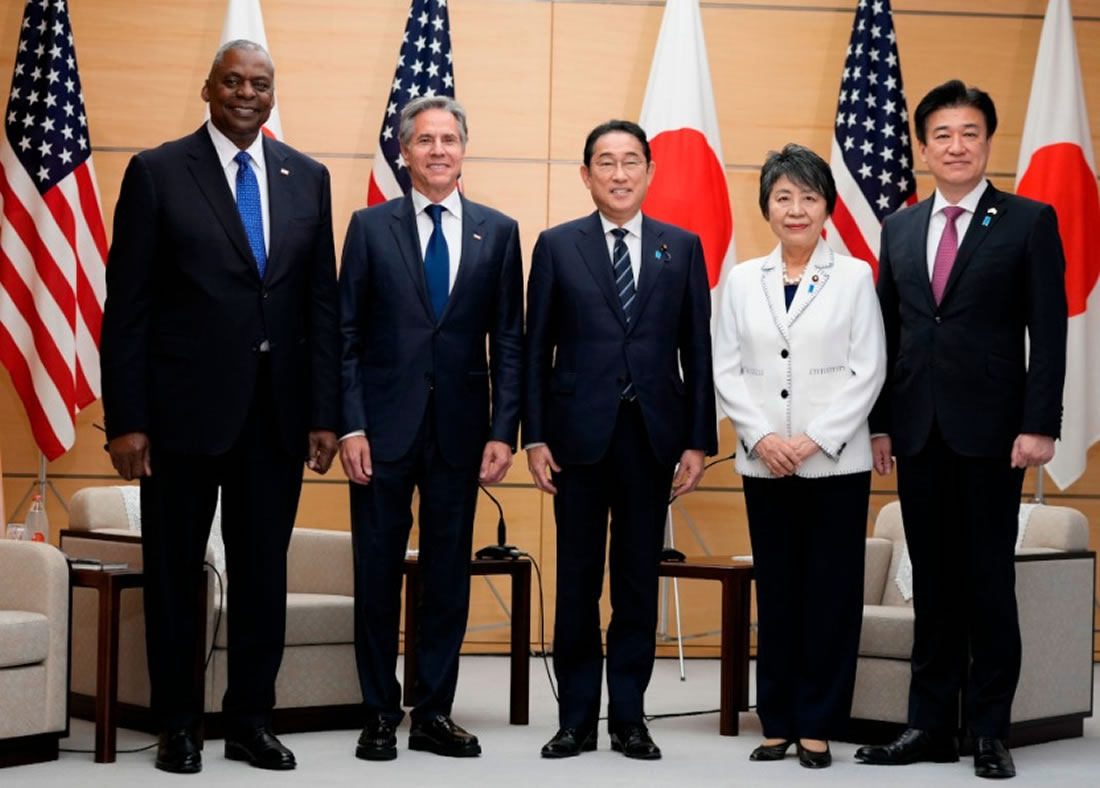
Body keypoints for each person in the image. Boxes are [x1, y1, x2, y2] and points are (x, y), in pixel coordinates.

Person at [100, 40, 340, 774]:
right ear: (207, 88)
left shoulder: (308, 177)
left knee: (264, 573)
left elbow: (320, 306)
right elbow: (127, 308)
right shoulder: (158, 172)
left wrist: (324, 413)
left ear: (273, 95)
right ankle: (178, 725)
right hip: (180, 417)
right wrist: (128, 420)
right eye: (232, 81)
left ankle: (250, 722)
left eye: (259, 84)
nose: (245, 93)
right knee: (175, 575)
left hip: (277, 417)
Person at [855, 80, 1068, 780]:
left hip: (994, 433)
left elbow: (1049, 332)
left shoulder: (1028, 221)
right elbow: (888, 334)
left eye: (969, 133)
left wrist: (1040, 425)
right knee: (933, 581)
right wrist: (881, 425)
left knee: (987, 581)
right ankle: (928, 724)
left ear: (988, 142)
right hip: (918, 430)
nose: (956, 146)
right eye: (942, 135)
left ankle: (989, 729)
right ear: (923, 147)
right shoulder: (900, 228)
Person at [524, 120, 716, 761]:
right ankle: (576, 718)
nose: (619, 173)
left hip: (652, 437)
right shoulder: (557, 245)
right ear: (586, 175)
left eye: (631, 160)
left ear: (650, 172)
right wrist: (534, 437)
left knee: (637, 582)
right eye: (605, 162)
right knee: (577, 580)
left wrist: (697, 441)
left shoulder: (681, 247)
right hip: (575, 440)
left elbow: (698, 350)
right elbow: (534, 350)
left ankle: (629, 717)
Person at [339, 95, 523, 761]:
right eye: (425, 140)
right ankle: (378, 711)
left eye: (449, 139)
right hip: (381, 433)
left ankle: (434, 711)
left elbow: (509, 342)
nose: (438, 150)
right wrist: (351, 426)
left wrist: (504, 430)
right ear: (404, 151)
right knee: (377, 574)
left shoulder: (498, 232)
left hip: (461, 434)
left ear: (463, 149)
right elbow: (346, 335)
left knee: (447, 576)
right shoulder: (368, 227)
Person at [713, 144, 886, 769]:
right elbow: (726, 368)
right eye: (783, 196)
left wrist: (813, 439)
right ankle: (778, 720)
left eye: (809, 197)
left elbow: (869, 369)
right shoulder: (742, 279)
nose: (796, 209)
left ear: (827, 207)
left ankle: (818, 722)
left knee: (830, 595)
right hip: (765, 463)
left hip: (835, 463)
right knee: (779, 591)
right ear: (766, 206)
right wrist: (763, 438)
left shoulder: (855, 277)